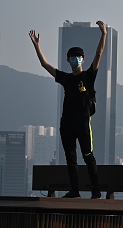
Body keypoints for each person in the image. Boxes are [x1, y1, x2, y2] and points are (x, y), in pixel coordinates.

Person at [29, 21, 107, 199]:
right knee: (70, 158)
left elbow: (99, 53)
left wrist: (104, 34)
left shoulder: (88, 76)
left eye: (79, 56)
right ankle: (74, 190)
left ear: (83, 59)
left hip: (83, 122)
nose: (76, 59)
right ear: (68, 60)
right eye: (73, 56)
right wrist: (37, 46)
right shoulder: (65, 78)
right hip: (67, 124)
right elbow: (45, 65)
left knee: (88, 155)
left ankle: (95, 190)